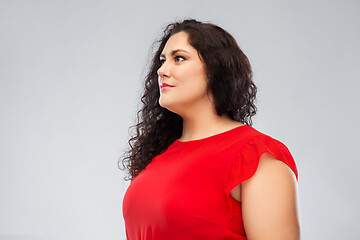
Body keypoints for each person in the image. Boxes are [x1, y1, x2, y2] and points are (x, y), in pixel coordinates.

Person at [120, 18, 300, 240]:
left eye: (179, 58)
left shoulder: (254, 155)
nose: (162, 70)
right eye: (163, 60)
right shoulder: (157, 158)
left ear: (216, 69)